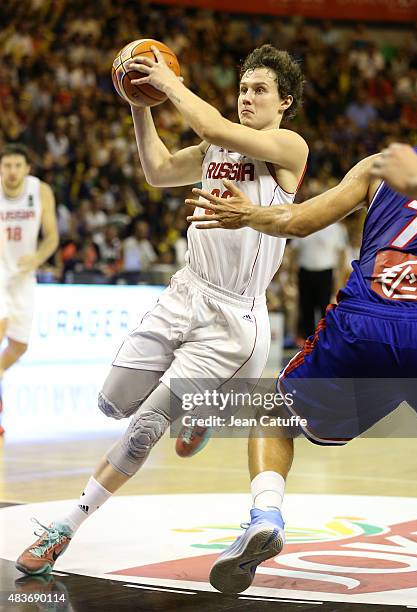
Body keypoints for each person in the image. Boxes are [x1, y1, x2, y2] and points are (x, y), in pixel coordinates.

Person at [16, 44, 308, 575]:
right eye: (243, 88)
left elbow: (217, 129)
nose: (248, 97)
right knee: (112, 403)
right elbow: (155, 171)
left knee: (145, 426)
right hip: (184, 293)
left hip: (233, 321)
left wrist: (166, 81)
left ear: (284, 101)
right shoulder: (213, 145)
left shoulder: (287, 147)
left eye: (260, 90)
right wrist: (139, 102)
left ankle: (65, 527)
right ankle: (201, 410)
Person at [185, 145, 417, 593]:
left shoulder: (381, 163)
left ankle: (266, 515)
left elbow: (298, 220)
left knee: (275, 414)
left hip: (364, 325)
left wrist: (248, 214)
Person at [0, 144, 58, 435]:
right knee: (1, 325)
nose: (11, 171)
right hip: (0, 271)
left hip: (23, 275)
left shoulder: (40, 191)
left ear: (27, 169)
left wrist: (37, 258)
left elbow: (52, 238)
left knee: (19, 345)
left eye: (17, 166)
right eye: (6, 166)